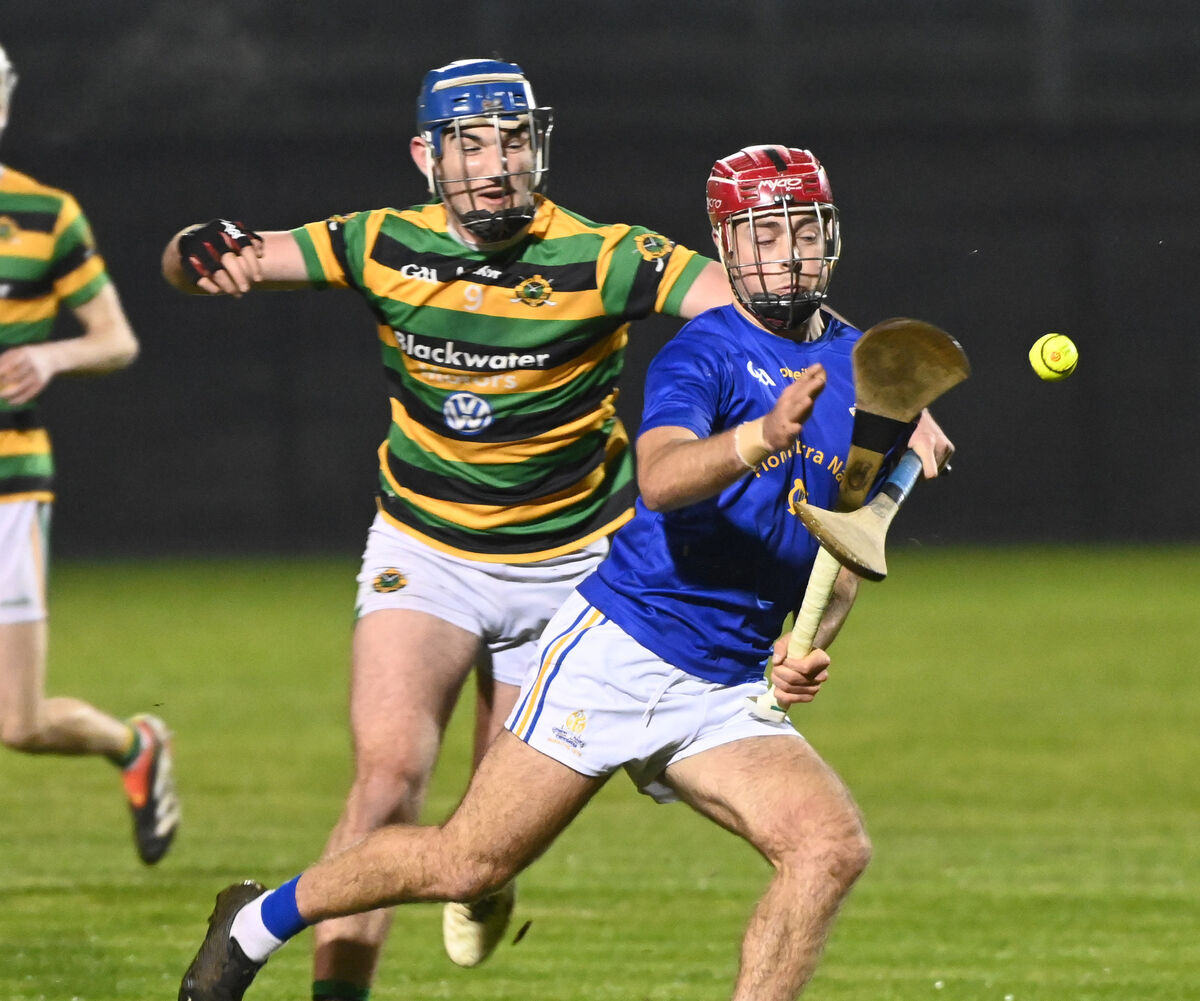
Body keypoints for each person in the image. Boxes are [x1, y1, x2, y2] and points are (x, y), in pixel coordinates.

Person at [175, 144, 954, 1001]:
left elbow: (840, 554)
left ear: (831, 239)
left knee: (829, 845)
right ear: (726, 245)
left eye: (802, 232)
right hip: (623, 650)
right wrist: (759, 437)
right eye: (762, 233)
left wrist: (800, 648)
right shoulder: (705, 351)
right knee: (469, 861)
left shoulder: (865, 376)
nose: (785, 253)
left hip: (724, 689)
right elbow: (659, 478)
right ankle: (254, 923)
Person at [161, 58, 736, 998]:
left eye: (514, 140)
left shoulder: (604, 253)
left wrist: (872, 385)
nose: (497, 162)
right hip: (427, 552)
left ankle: (493, 880)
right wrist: (194, 247)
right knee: (387, 782)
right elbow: (218, 257)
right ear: (427, 155)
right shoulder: (379, 241)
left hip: (571, 569)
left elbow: (747, 307)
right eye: (472, 142)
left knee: (485, 840)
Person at [0, 41, 180, 865]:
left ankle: (133, 745)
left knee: (19, 722)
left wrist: (53, 356)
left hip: (10, 484)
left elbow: (116, 337)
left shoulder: (45, 215)